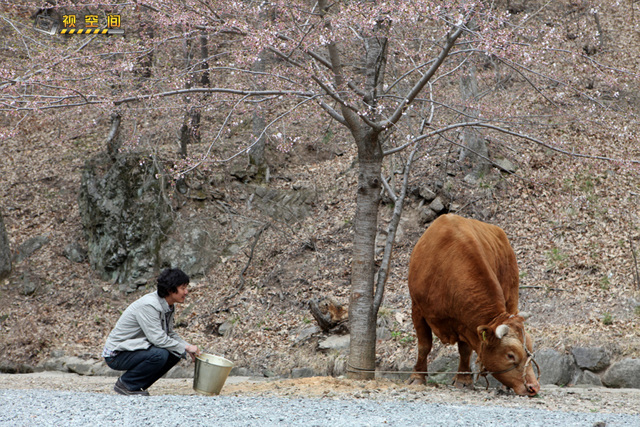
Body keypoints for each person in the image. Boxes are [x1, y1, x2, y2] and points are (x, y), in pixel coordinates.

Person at [102, 268, 201, 395]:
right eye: (183, 288)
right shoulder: (149, 305)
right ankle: (126, 384)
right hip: (116, 354)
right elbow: (158, 339)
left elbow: (169, 334)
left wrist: (187, 347)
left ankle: (136, 387)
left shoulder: (168, 305)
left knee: (176, 352)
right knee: (160, 354)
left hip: (135, 348)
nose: (186, 292)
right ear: (171, 290)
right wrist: (186, 347)